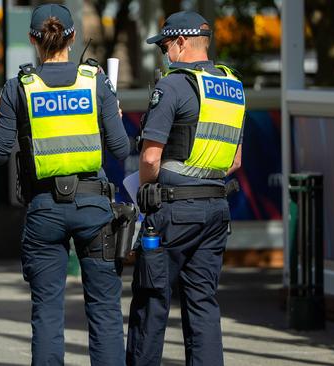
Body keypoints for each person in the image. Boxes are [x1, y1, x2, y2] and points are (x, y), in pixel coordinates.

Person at [0, 4, 130, 365]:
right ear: (73, 37)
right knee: (105, 312)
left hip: (44, 210)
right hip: (94, 208)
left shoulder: (18, 87)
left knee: (47, 313)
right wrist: (111, 113)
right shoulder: (95, 81)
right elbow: (120, 148)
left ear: (33, 40)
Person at [126, 10, 245, 366]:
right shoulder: (232, 85)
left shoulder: (173, 85)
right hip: (215, 211)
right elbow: (235, 161)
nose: (165, 53)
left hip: (173, 213)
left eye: (165, 46)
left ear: (180, 42)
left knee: (151, 300)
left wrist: (146, 188)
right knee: (203, 303)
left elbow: (150, 157)